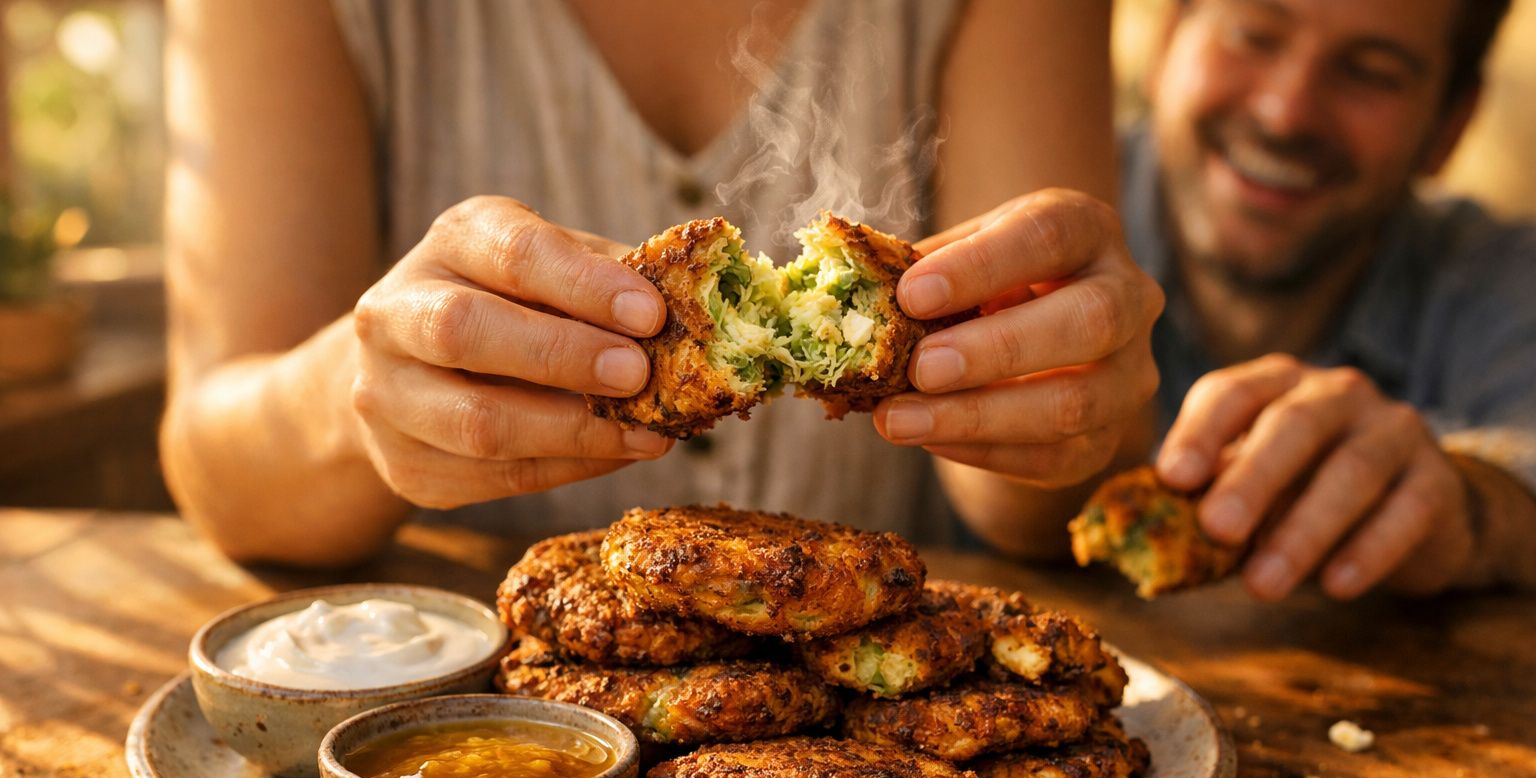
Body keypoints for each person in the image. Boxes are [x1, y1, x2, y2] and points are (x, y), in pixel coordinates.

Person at [159, 0, 1162, 568]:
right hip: (461, 726)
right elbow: (220, 468)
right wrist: (351, 391)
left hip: (858, 708)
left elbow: (1036, 502)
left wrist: (1056, 398)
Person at [1125, 0, 1536, 599]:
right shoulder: (996, 213)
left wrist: (1471, 504)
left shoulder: (1501, 282)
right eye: (1253, 34)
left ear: (1451, 124)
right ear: (1167, 41)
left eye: (1371, 72)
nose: (1286, 113)